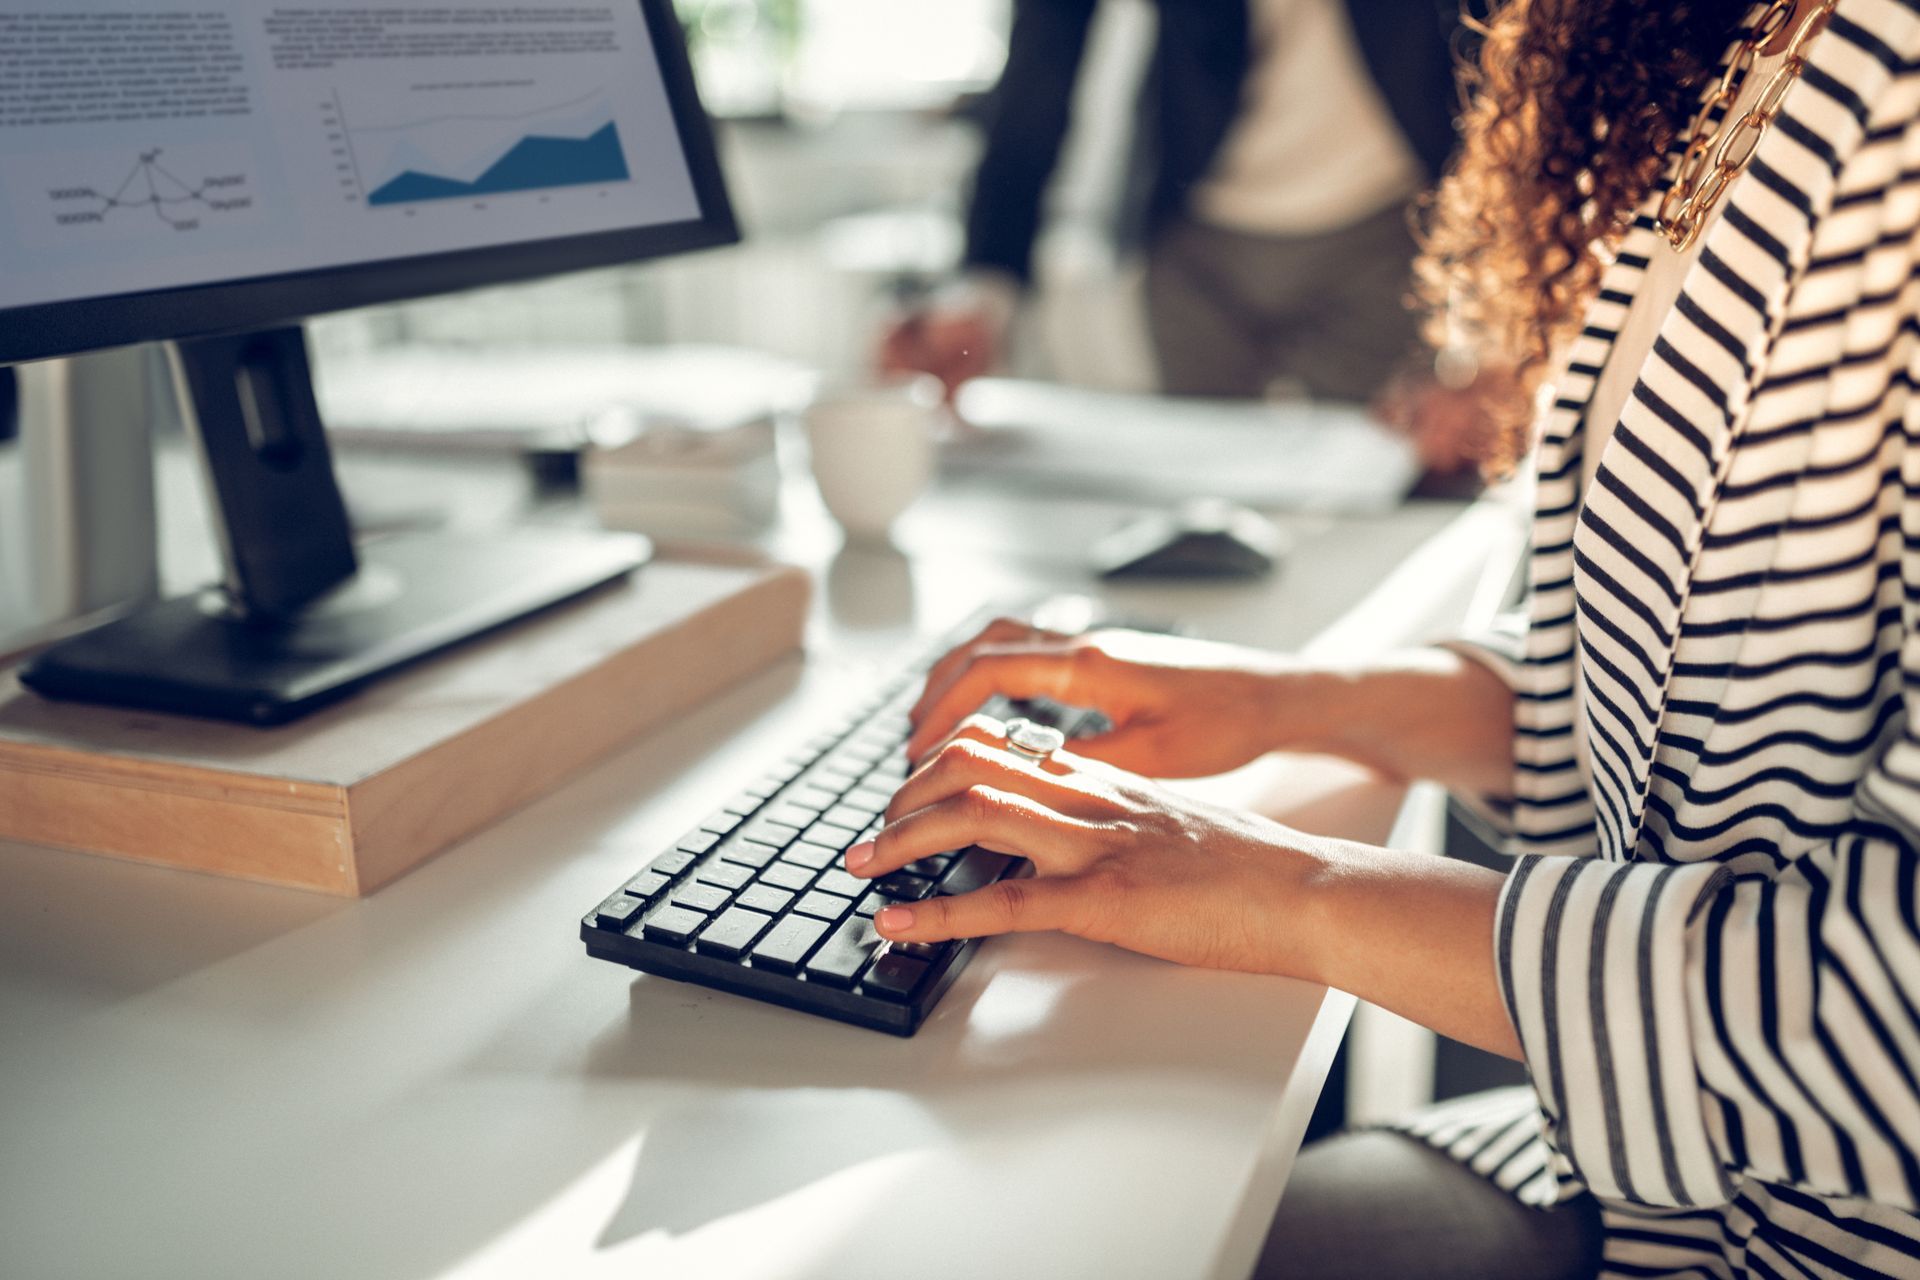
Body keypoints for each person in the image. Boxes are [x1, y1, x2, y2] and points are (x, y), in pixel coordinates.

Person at [846, 0, 1920, 1274]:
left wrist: (1294, 892)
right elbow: (1688, 705)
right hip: (1660, 1181)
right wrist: (1301, 696)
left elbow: (1888, 1022)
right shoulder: (1753, 59)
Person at [880, 0, 1466, 403]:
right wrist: (986, 283)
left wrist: (1495, 339)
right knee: (1199, 527)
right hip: (1195, 241)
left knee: (1380, 513)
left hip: (1388, 231)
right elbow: (1043, 53)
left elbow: (1504, 55)